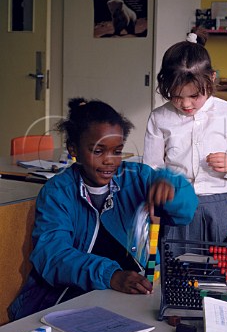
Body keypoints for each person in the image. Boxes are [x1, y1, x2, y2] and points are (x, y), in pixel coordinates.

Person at [9, 98, 198, 320]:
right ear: (73, 149)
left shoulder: (136, 177)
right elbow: (51, 255)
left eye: (117, 151)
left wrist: (171, 187)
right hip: (66, 299)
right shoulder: (58, 192)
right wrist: (111, 275)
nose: (109, 160)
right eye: (98, 151)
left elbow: (185, 212)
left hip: (127, 299)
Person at [143, 29, 227, 244]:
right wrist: (160, 185)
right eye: (176, 96)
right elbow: (151, 168)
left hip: (220, 207)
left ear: (212, 78)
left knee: (219, 271)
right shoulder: (159, 117)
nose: (185, 104)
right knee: (175, 270)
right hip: (176, 207)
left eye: (194, 96)